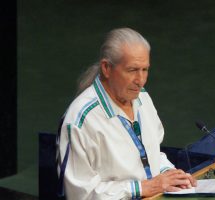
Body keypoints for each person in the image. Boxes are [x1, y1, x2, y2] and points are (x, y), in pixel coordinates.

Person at [57, 27, 196, 200]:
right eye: (132, 70)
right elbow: (81, 195)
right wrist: (142, 188)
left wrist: (169, 174)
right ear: (107, 68)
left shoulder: (142, 98)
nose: (140, 81)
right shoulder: (80, 120)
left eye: (145, 70)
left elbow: (151, 154)